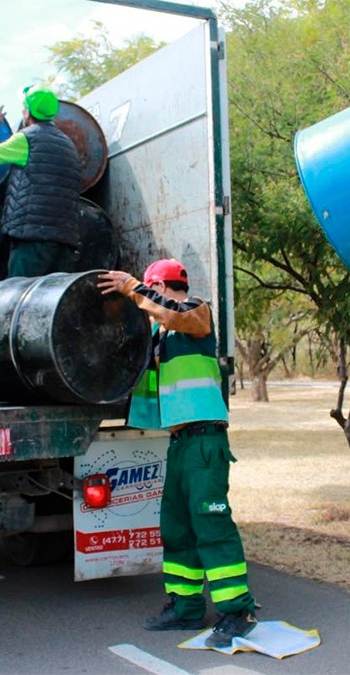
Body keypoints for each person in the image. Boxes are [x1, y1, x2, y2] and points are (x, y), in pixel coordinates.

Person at [98, 260, 258, 649]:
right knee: (176, 527)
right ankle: (185, 608)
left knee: (211, 525)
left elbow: (174, 314)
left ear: (162, 287)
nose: (144, 308)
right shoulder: (162, 338)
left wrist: (133, 287)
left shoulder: (196, 314)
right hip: (181, 442)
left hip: (205, 441)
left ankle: (237, 611)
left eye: (148, 295)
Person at [0, 86, 80, 278]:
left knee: (21, 297)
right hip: (65, 240)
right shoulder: (68, 144)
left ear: (28, 111)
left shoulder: (27, 139)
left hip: (33, 238)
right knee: (54, 303)